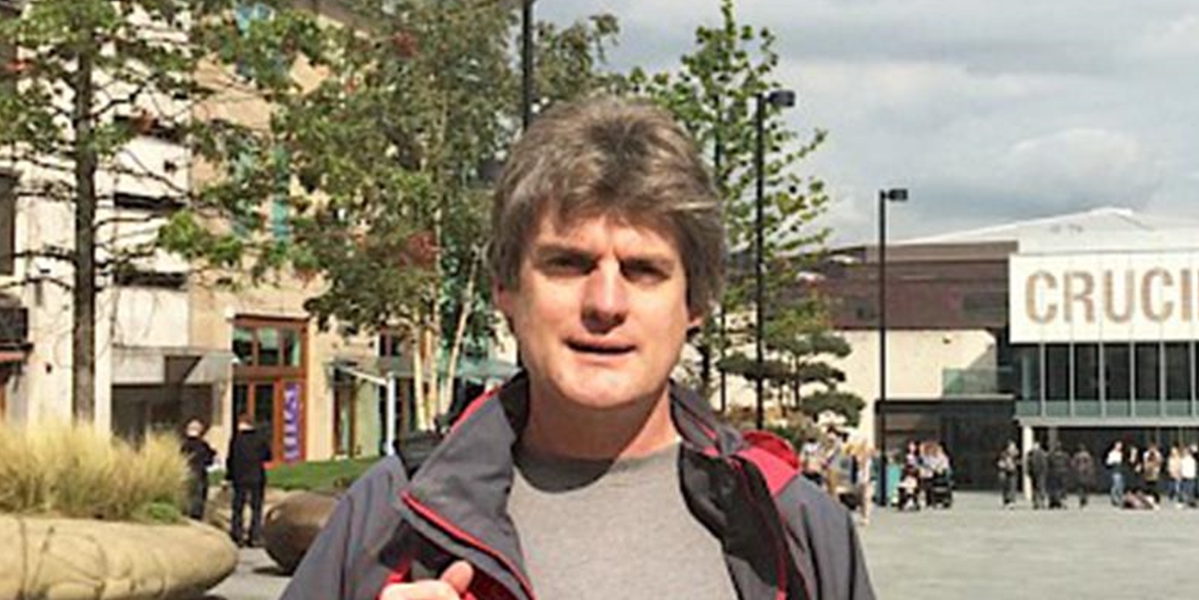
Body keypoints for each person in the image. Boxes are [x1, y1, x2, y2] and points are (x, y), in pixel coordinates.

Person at [282, 97, 873, 600]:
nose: (605, 303)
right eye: (567, 263)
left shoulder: (792, 526)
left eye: (643, 270)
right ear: (506, 289)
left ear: (695, 304)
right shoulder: (389, 518)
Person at [225, 414, 271, 547]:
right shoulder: (260, 438)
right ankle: (255, 536)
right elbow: (268, 456)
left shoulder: (236, 440)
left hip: (239, 477)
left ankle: (237, 535)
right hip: (256, 476)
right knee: (256, 508)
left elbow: (231, 460)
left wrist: (228, 477)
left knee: (238, 507)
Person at [180, 419, 216, 521]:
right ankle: (196, 515)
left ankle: (187, 512)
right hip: (200, 472)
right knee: (198, 494)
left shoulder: (184, 445)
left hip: (187, 472)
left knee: (188, 493)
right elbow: (209, 460)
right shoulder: (203, 445)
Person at [1070, 445, 1096, 509]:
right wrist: (1091, 471)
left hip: (1079, 472)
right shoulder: (1088, 455)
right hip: (1087, 473)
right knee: (1086, 487)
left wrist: (1075, 469)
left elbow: (1073, 464)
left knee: (1080, 486)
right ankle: (1085, 497)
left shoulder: (1077, 456)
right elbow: (1091, 464)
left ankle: (1081, 498)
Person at [1027, 441, 1050, 510]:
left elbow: (1044, 464)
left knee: (1038, 488)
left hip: (1038, 474)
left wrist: (1029, 472)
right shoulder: (1035, 454)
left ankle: (1039, 503)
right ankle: (1039, 503)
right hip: (1037, 474)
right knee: (1039, 488)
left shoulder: (1033, 454)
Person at [997, 442, 1020, 508]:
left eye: (1013, 447)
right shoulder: (1003, 454)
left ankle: (1012, 501)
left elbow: (1019, 462)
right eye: (1011, 447)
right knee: (1005, 487)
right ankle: (1006, 500)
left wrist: (1016, 464)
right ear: (1008, 448)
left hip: (1013, 472)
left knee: (1013, 487)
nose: (1012, 449)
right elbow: (999, 462)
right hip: (1005, 472)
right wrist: (1003, 465)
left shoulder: (1017, 454)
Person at [1105, 441, 1126, 507]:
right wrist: (1113, 462)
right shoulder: (1112, 453)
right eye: (1119, 446)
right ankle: (1114, 499)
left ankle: (1119, 499)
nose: (1120, 447)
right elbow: (1108, 462)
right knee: (1116, 485)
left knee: (1121, 485)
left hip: (1120, 470)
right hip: (1115, 471)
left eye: (1121, 446)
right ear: (1115, 446)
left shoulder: (1120, 453)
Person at [1180, 444, 1199, 508]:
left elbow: (1197, 456)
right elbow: (1182, 468)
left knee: (1190, 490)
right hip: (1186, 477)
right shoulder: (1183, 459)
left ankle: (1191, 502)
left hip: (1191, 476)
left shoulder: (1193, 458)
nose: (1185, 452)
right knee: (1186, 490)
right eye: (1184, 451)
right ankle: (1188, 502)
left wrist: (1194, 449)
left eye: (1186, 451)